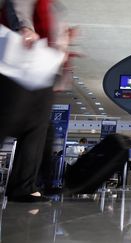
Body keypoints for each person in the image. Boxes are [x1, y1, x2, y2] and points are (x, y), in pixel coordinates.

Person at [0, 0, 76, 202]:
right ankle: (23, 186)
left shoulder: (55, 7)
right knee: (7, 119)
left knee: (37, 129)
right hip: (17, 62)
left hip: (42, 67)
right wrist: (24, 27)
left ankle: (23, 187)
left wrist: (62, 71)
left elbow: (58, 39)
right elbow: (17, 3)